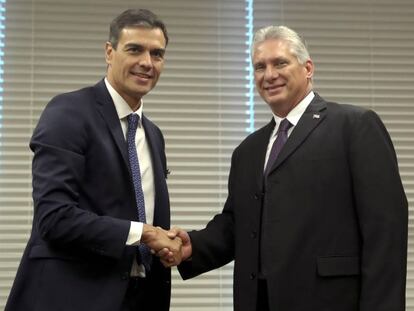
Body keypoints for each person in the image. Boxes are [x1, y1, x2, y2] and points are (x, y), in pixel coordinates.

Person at [162, 25, 408, 311]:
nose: (269, 75)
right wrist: (193, 245)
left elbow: (386, 230)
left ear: (308, 68)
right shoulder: (248, 151)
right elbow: (238, 224)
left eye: (280, 63)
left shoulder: (354, 127)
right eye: (260, 66)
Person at [5, 9, 182, 311]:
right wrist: (145, 233)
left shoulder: (153, 134)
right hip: (71, 297)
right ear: (109, 52)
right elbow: (54, 217)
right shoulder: (69, 112)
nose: (146, 63)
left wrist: (164, 244)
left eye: (157, 54)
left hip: (140, 297)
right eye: (135, 49)